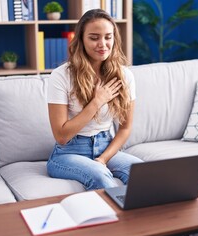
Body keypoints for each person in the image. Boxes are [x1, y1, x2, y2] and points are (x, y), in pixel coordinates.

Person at [46, 9, 143, 190]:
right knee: (100, 176)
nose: (103, 44)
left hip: (106, 146)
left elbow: (125, 128)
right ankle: (114, 219)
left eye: (108, 37)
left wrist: (103, 159)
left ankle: (142, 218)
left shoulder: (125, 76)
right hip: (68, 152)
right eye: (94, 37)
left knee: (143, 174)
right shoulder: (61, 76)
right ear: (81, 39)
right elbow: (61, 136)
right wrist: (97, 102)